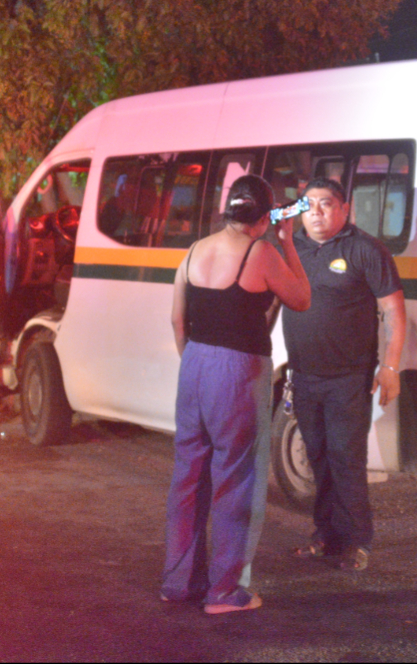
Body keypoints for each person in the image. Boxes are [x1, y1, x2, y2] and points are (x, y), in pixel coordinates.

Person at [161, 174, 310, 615]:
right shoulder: (260, 252)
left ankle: (178, 582)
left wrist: (194, 360)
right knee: (237, 477)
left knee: (188, 476)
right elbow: (300, 297)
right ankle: (225, 592)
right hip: (237, 369)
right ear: (263, 218)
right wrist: (289, 243)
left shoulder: (193, 251)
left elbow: (176, 320)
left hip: (194, 366)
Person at [282, 178, 406, 573]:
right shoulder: (290, 248)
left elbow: (394, 312)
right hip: (303, 375)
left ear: (345, 208)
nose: (316, 212)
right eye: (309, 205)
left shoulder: (365, 249)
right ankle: (325, 536)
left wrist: (389, 367)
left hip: (348, 378)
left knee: (346, 458)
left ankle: (357, 541)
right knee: (316, 457)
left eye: (325, 204)